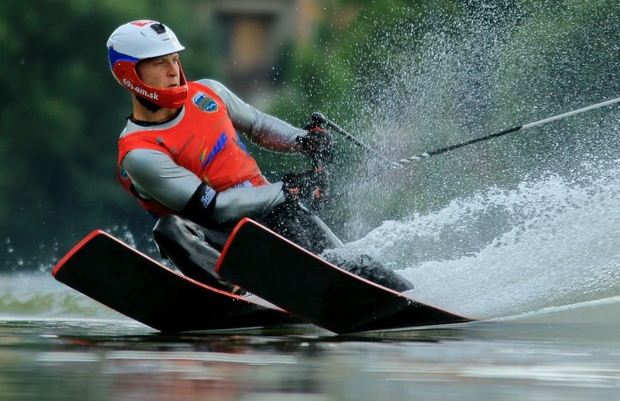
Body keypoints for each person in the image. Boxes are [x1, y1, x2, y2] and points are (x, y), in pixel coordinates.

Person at [107, 19, 410, 292]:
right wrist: (287, 190)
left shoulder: (208, 93)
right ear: (129, 74)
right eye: (160, 63)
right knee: (169, 229)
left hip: (273, 215)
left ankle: (411, 298)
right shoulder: (139, 152)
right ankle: (236, 293)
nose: (173, 70)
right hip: (219, 239)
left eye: (174, 59)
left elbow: (259, 125)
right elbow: (214, 208)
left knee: (352, 267)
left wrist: (303, 141)